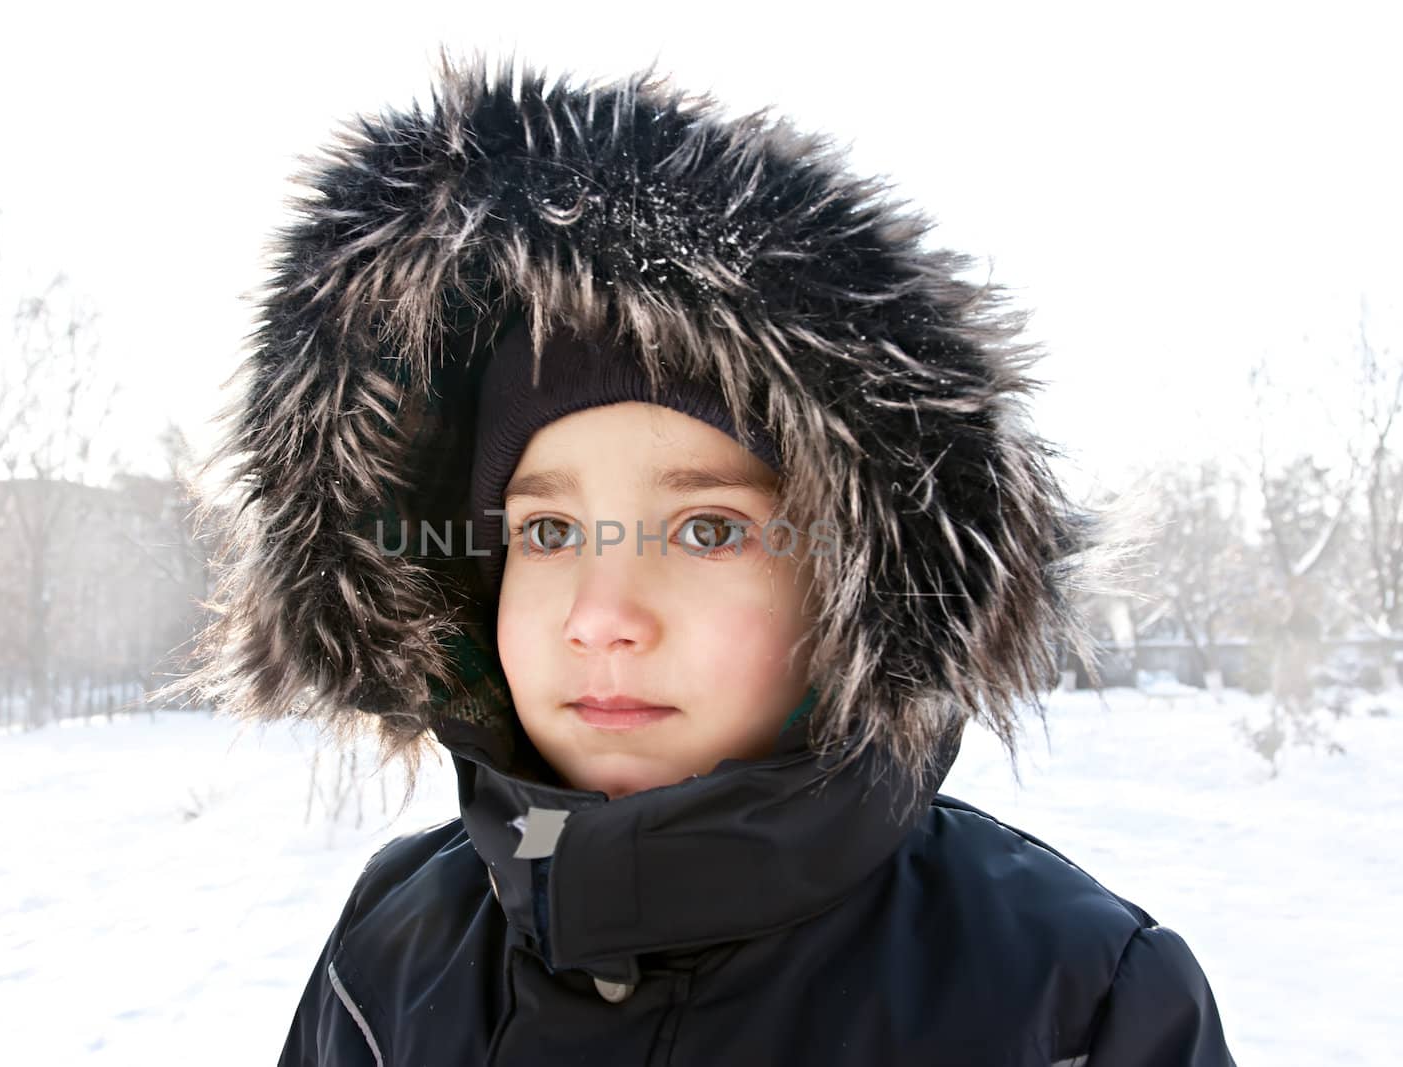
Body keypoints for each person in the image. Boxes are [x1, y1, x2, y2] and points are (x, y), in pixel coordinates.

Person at [180, 48, 1236, 1065]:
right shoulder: (391, 952)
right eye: (547, 531)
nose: (601, 615)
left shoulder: (1076, 996)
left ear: (858, 580)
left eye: (707, 530)